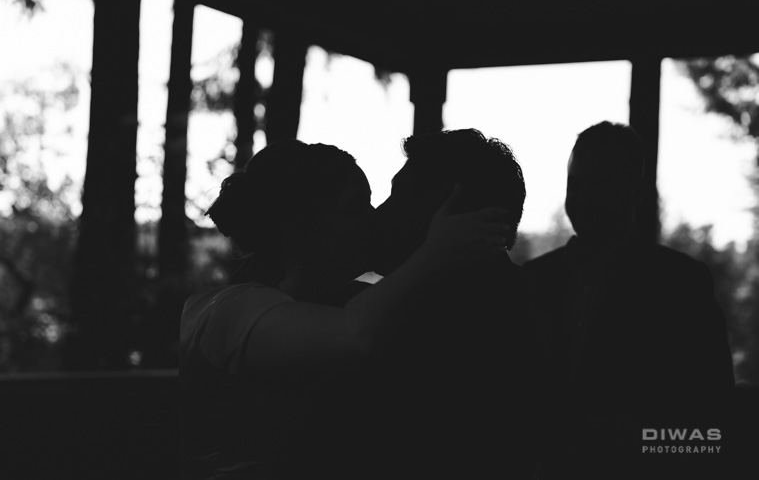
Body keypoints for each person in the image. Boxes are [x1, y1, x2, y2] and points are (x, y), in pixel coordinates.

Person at [178, 139, 510, 480]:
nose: (375, 217)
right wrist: (435, 252)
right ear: (300, 227)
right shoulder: (230, 311)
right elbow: (353, 334)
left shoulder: (348, 301)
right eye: (356, 207)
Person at [522, 121, 735, 479]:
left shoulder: (681, 285)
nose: (583, 199)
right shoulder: (534, 280)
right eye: (576, 185)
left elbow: (714, 422)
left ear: (635, 192)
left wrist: (631, 442)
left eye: (600, 185)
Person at [361, 128, 542, 479]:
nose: (380, 214)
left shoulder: (473, 318)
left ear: (451, 210)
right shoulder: (515, 297)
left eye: (399, 197)